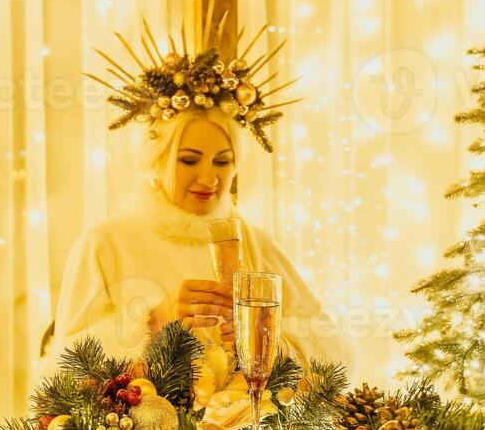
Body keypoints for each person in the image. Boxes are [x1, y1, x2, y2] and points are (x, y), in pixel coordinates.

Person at [41, 21, 347, 378]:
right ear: (157, 161)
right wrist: (157, 325)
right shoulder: (105, 244)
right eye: (188, 161)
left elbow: (334, 356)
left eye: (223, 162)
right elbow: (63, 378)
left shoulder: (254, 244)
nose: (208, 178)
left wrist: (273, 345)